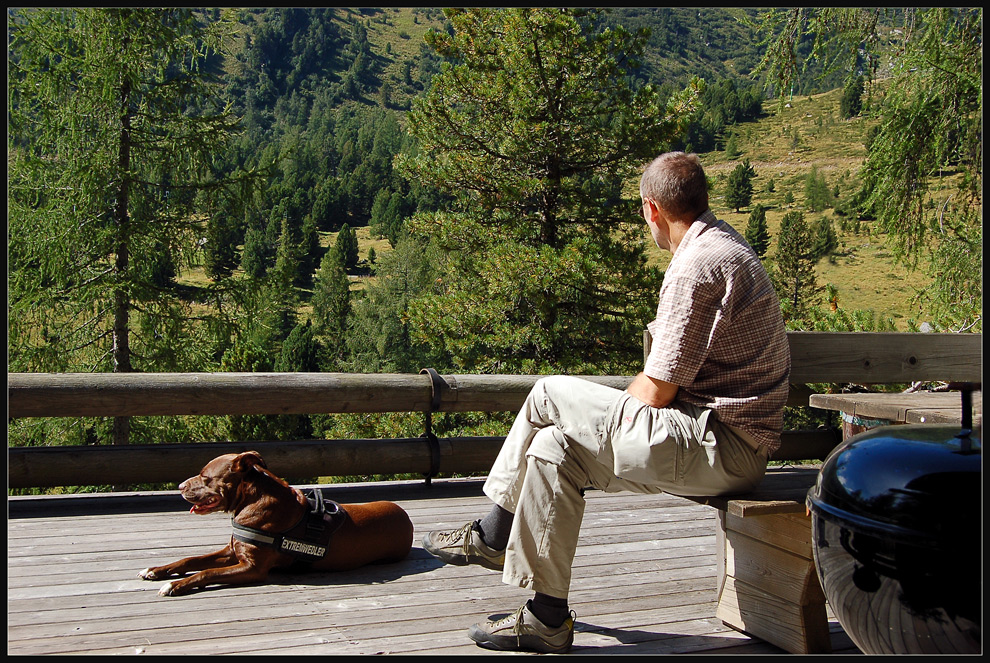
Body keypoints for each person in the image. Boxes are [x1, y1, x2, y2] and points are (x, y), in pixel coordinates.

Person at [423, 151, 791, 653]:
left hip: (719, 447)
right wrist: (603, 418)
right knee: (555, 448)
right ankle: (546, 618)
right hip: (715, 440)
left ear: (651, 210)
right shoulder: (724, 244)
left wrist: (607, 414)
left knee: (549, 392)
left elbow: (658, 390)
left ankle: (493, 532)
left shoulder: (698, 266)